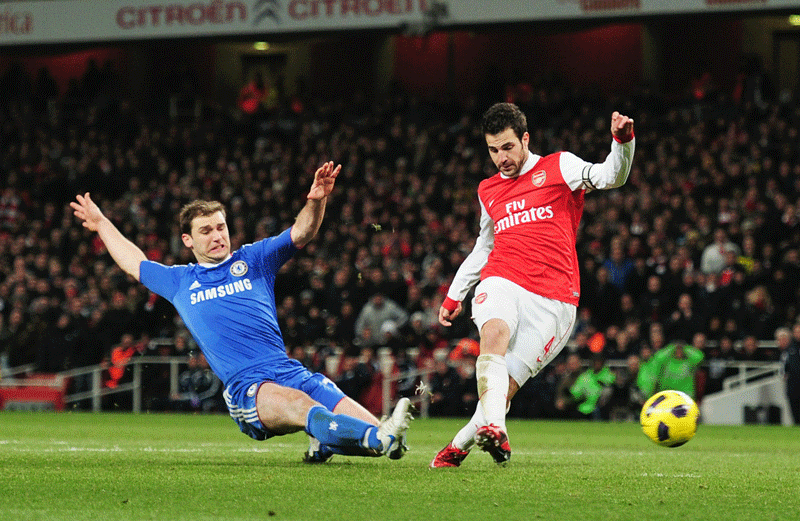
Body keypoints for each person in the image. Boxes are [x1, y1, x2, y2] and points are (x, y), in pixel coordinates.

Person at [71, 161, 412, 463]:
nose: (217, 235)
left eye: (221, 227)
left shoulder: (254, 259)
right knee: (304, 406)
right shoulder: (180, 281)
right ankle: (356, 437)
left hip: (290, 371)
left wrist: (317, 200)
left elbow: (302, 233)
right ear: (188, 241)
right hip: (249, 387)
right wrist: (101, 223)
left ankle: (334, 442)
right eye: (206, 231)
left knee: (378, 434)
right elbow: (136, 263)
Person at [431, 102, 634, 467]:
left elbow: (611, 177)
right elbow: (485, 245)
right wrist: (455, 293)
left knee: (502, 389)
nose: (501, 158)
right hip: (503, 277)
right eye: (493, 150)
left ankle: (459, 444)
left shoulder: (559, 166)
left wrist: (623, 142)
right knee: (493, 334)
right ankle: (497, 429)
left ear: (525, 138)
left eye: (507, 147)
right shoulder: (488, 190)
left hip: (555, 298)